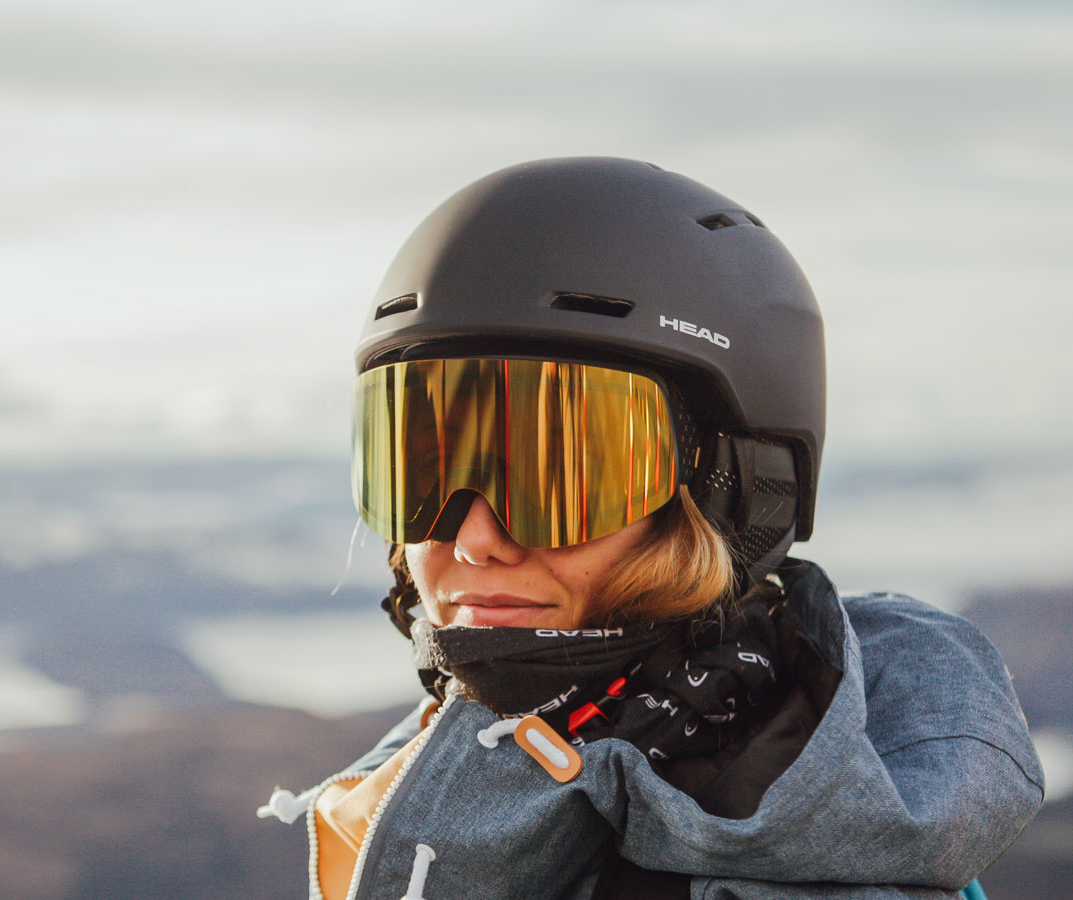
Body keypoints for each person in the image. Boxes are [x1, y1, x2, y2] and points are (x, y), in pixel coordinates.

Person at [258, 158, 1042, 900]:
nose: (472, 541)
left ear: (734, 488)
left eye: (559, 481)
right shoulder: (458, 774)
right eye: (421, 475)